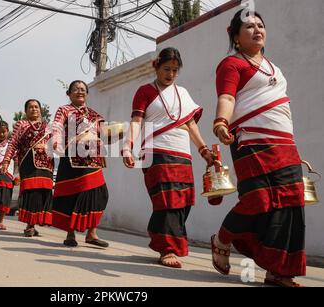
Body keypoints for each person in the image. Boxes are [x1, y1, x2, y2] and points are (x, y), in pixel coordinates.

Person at [211, 10, 306, 287]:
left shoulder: (275, 68)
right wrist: (220, 122)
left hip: (284, 144)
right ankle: (223, 239)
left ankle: (278, 271)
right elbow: (227, 96)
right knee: (259, 200)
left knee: (290, 205)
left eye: (260, 25)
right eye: (249, 26)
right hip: (251, 140)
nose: (257, 30)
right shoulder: (231, 64)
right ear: (236, 37)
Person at [122, 47, 214, 268]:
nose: (170, 74)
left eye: (174, 70)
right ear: (156, 66)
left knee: (184, 201)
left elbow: (190, 124)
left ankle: (167, 241)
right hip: (156, 152)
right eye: (166, 69)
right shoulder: (144, 91)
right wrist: (127, 146)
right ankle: (167, 248)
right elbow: (136, 122)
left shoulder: (182, 93)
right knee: (167, 200)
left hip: (182, 153)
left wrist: (204, 151)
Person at [51, 80, 110, 248]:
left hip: (93, 159)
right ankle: (71, 234)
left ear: (87, 94)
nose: (80, 91)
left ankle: (92, 234)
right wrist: (56, 141)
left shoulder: (94, 115)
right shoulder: (64, 110)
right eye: (75, 89)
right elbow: (56, 127)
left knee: (99, 194)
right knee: (73, 194)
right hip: (72, 157)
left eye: (83, 89)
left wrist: (121, 134)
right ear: (68, 94)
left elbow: (105, 132)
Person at [2, 99, 54, 237]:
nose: (34, 109)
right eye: (30, 107)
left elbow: (56, 144)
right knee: (32, 193)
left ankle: (36, 222)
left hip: (46, 164)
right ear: (25, 111)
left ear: (40, 110)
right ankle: (29, 225)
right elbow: (12, 143)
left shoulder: (48, 126)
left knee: (43, 193)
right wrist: (6, 160)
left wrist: (47, 146)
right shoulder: (21, 124)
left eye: (36, 107)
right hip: (28, 163)